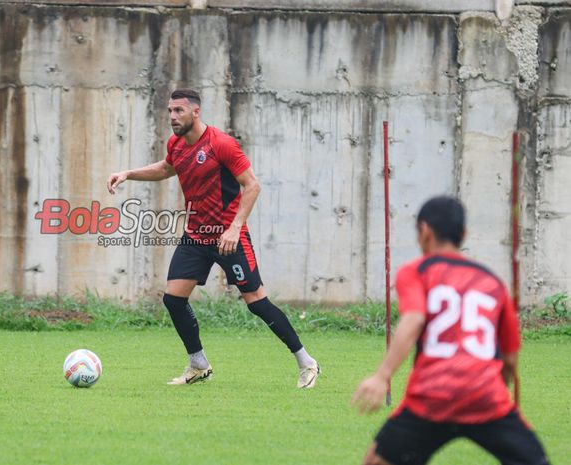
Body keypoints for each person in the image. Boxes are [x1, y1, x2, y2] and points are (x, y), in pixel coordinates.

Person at [106, 89, 320, 388]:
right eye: (169, 111)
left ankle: (306, 362)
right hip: (196, 236)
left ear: (196, 112)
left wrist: (234, 228)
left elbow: (253, 186)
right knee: (173, 299)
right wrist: (128, 173)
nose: (172, 117)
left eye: (178, 111)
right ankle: (198, 364)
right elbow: (167, 168)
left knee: (257, 302)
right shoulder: (176, 144)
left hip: (228, 237)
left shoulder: (222, 144)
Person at [352, 196, 551, 465]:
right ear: (464, 234)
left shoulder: (417, 271)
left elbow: (413, 319)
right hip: (486, 396)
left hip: (432, 395)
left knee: (376, 460)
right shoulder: (492, 281)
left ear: (424, 231)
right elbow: (511, 358)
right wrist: (491, 396)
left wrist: (382, 376)